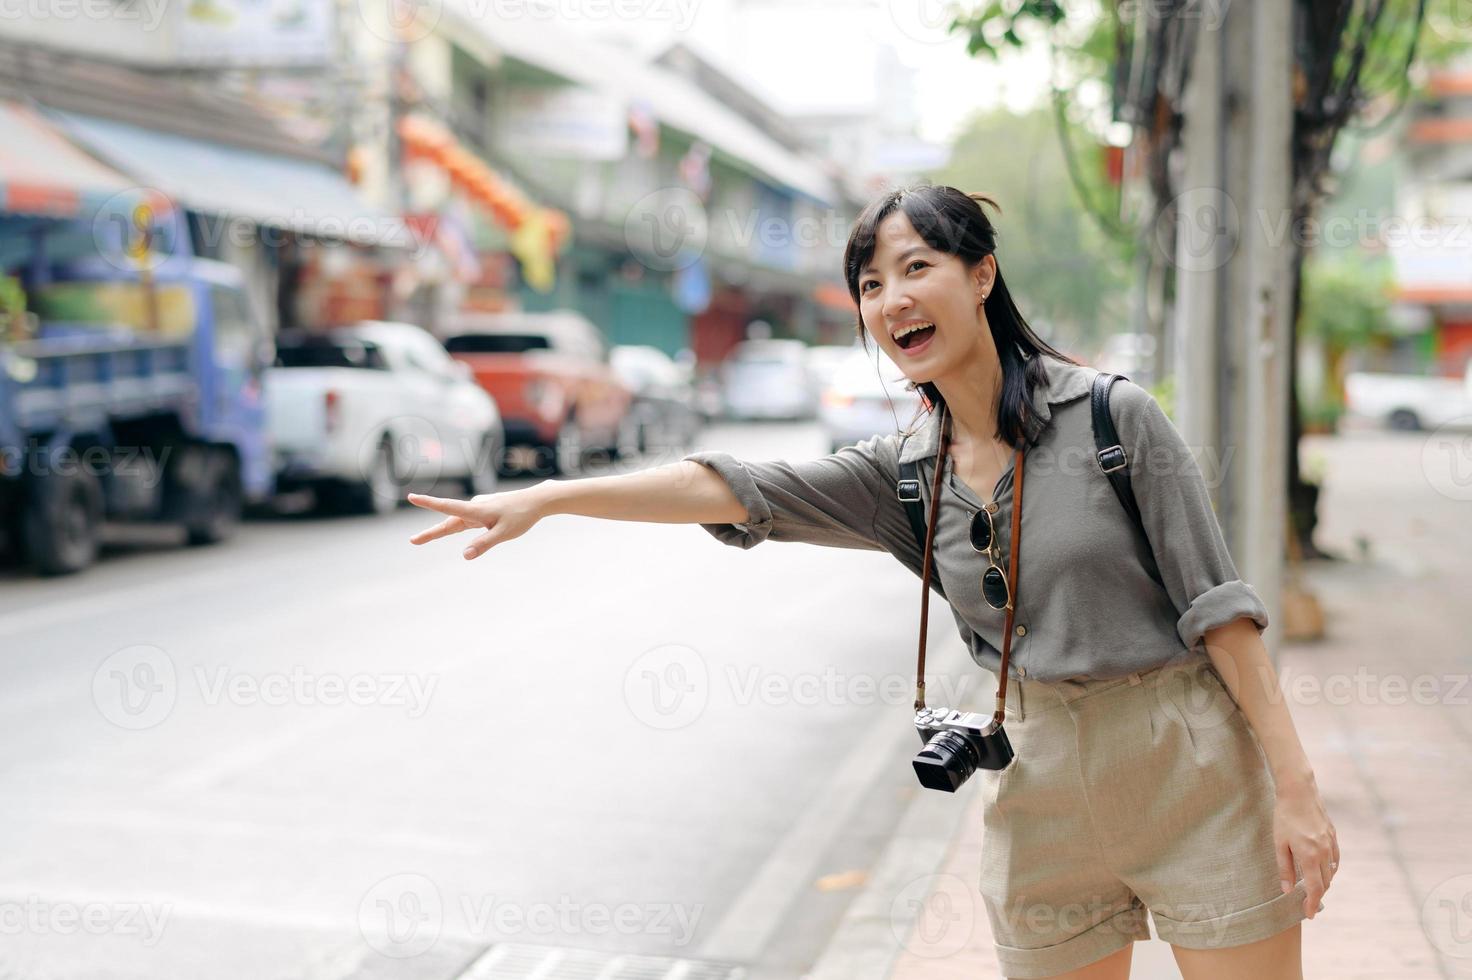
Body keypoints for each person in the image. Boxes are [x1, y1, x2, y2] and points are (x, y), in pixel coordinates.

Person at [405, 185, 1337, 980]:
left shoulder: (1110, 417)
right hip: (1039, 778)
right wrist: (559, 497)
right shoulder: (901, 474)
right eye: (870, 283)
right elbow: (735, 488)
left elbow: (1222, 613)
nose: (893, 299)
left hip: (1189, 765)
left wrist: (1294, 791)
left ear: (981, 275)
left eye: (916, 266)